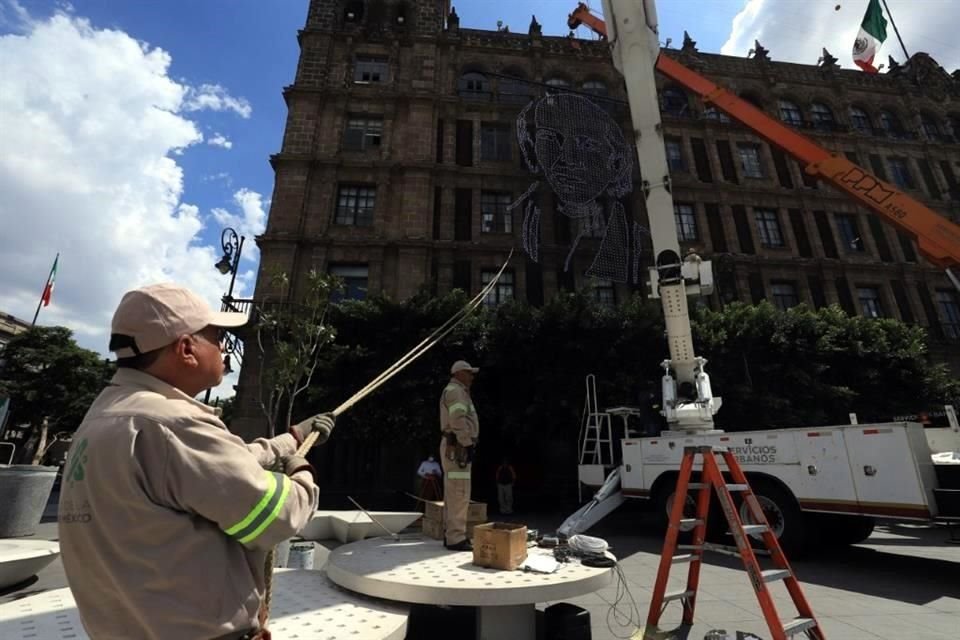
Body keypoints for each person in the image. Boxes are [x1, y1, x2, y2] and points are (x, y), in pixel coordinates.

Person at [57, 283, 336, 640]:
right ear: (187, 348)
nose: (223, 348)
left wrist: (291, 438)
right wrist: (301, 469)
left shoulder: (107, 416)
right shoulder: (172, 423)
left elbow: (213, 467)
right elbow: (277, 517)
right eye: (217, 337)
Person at [439, 359, 480, 551]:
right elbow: (457, 420)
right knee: (459, 493)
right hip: (458, 447)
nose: (472, 376)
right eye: (468, 372)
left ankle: (452, 535)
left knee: (454, 492)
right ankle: (456, 538)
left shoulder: (457, 391)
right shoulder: (456, 391)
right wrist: (467, 443)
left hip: (455, 446)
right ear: (458, 374)